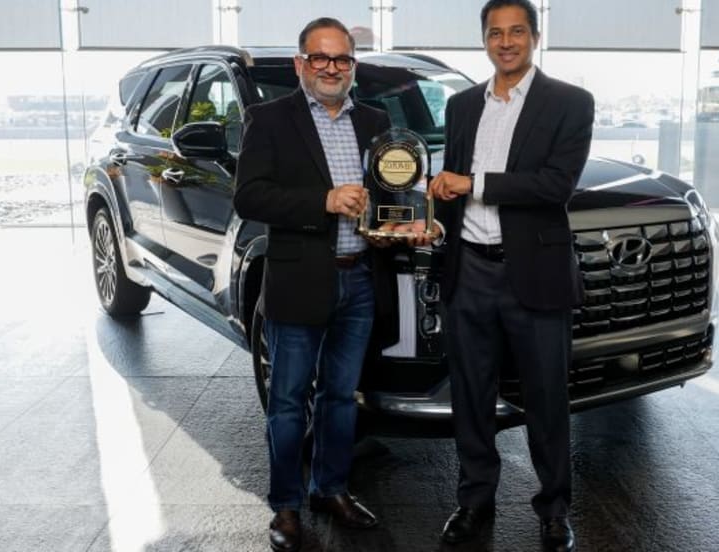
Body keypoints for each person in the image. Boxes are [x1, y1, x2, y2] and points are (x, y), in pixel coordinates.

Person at [428, 1, 594, 551]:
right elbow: (450, 188)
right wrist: (432, 222)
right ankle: (474, 501)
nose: (505, 42)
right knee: (471, 397)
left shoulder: (570, 102)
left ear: (534, 37)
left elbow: (555, 185)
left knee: (547, 399)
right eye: (495, 33)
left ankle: (554, 509)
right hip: (469, 270)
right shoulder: (461, 106)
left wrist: (471, 183)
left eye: (516, 31)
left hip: (534, 274)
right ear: (484, 40)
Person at [234, 17, 398, 552]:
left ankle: (330, 489)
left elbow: (391, 190)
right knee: (287, 400)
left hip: (361, 279)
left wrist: (403, 221)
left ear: (354, 66)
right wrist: (323, 202)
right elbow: (249, 196)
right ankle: (286, 506)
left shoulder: (375, 120)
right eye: (320, 58)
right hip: (299, 280)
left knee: (341, 398)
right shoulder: (269, 119)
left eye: (342, 59)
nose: (331, 68)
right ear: (300, 63)